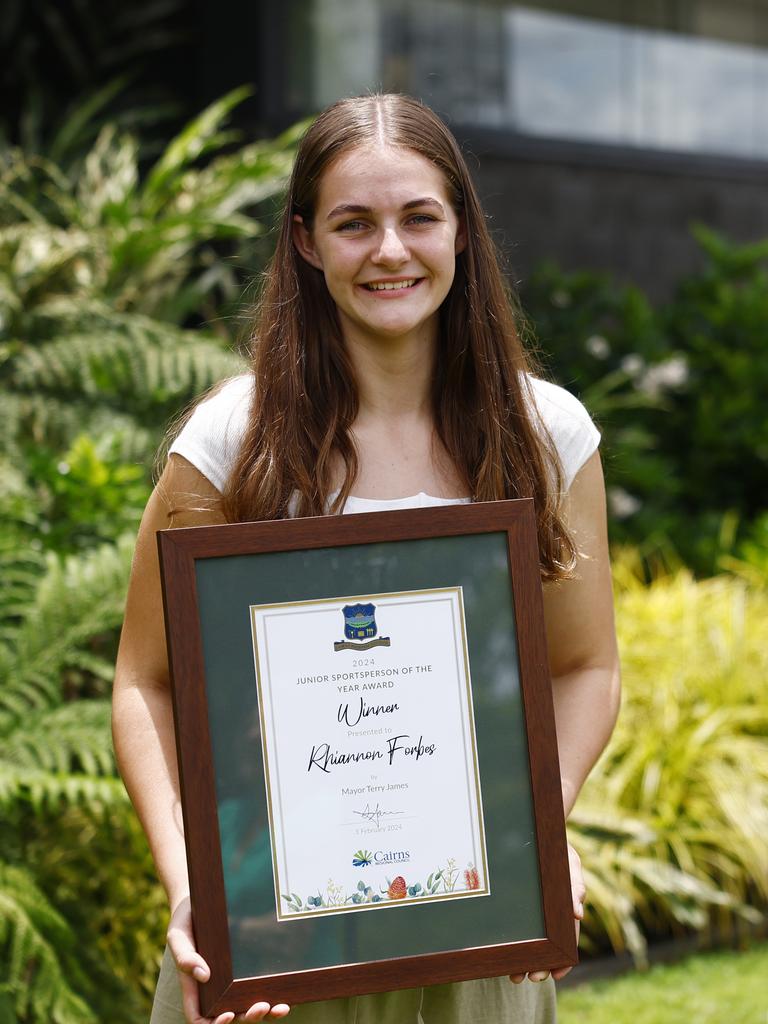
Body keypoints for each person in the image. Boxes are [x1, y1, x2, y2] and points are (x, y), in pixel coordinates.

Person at [112, 92, 620, 1024]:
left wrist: (529, 833)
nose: (390, 251)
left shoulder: (547, 432)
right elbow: (145, 682)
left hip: (476, 934)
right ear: (306, 243)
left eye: (418, 216)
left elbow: (584, 667)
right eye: (354, 224)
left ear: (461, 229)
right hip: (274, 940)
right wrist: (196, 891)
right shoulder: (236, 436)